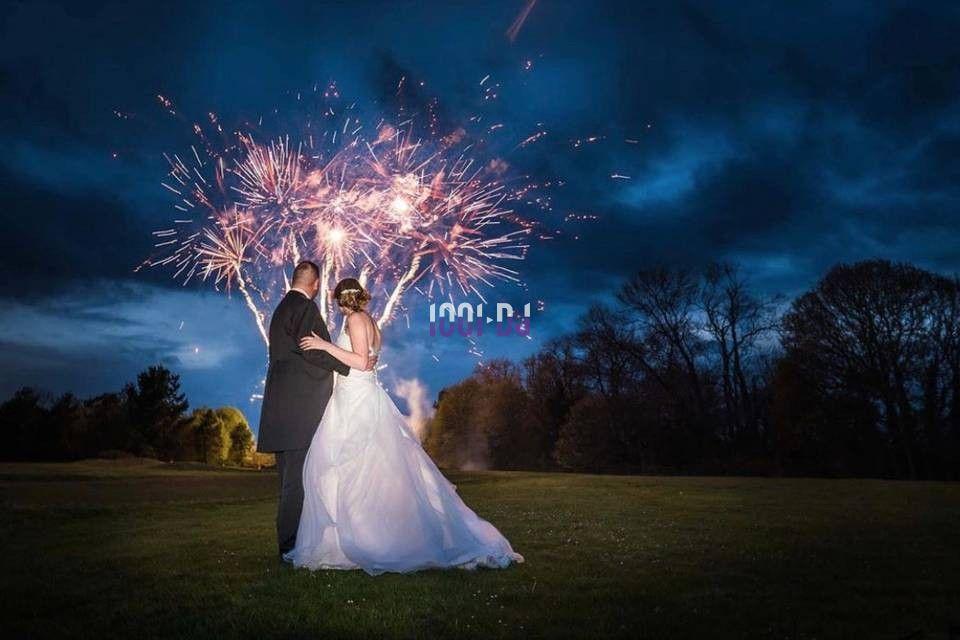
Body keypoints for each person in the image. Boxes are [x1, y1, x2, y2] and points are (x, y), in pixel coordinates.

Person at [284, 277, 523, 575]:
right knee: (357, 466)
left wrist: (324, 345)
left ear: (342, 300)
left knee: (359, 465)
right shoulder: (368, 320)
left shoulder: (357, 320)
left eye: (336, 301)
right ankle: (359, 531)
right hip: (352, 396)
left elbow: (360, 362)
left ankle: (371, 538)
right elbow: (368, 359)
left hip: (358, 399)